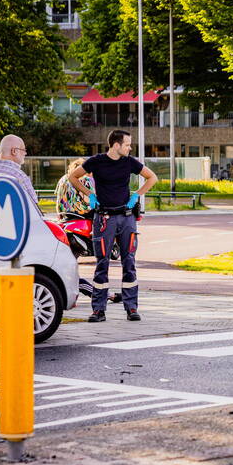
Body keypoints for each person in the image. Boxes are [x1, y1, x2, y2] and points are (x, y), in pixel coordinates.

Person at [69, 130, 158, 323]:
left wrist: (137, 194)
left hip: (126, 218)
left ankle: (131, 308)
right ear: (116, 145)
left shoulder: (129, 162)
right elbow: (73, 177)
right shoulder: (96, 161)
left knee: (129, 263)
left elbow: (152, 177)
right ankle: (98, 311)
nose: (130, 147)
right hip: (104, 219)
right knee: (102, 264)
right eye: (127, 144)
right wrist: (90, 194)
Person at [58, 158, 122, 306]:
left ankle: (105, 295)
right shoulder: (85, 179)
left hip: (66, 220)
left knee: (68, 267)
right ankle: (104, 295)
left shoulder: (63, 180)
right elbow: (97, 196)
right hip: (82, 217)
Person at [0, 135, 38, 205]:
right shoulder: (19, 177)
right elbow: (34, 207)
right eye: (23, 150)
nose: (25, 153)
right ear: (14, 151)